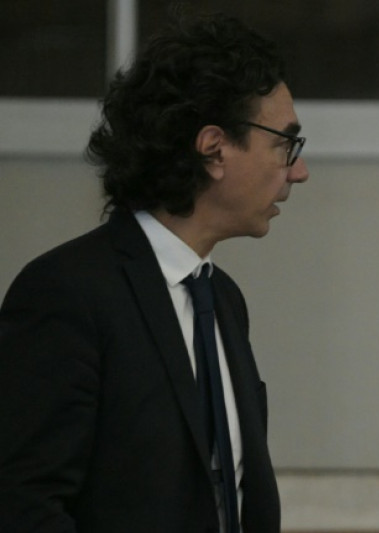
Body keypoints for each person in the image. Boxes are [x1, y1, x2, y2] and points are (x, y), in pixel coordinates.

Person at [0, 12, 308, 533]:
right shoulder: (68, 293)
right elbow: (22, 503)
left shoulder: (222, 299)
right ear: (213, 148)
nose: (299, 171)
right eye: (285, 145)